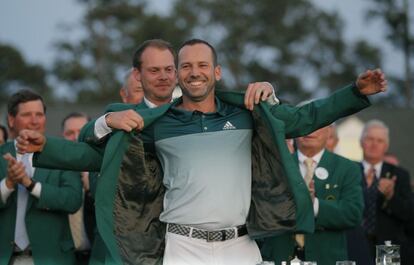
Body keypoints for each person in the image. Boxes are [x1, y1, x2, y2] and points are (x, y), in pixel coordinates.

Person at [17, 39, 387, 265]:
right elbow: (96, 157)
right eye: (186, 66)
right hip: (181, 249)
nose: (195, 72)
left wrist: (356, 92)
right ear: (177, 75)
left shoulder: (248, 113)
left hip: (241, 246)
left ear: (218, 72)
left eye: (202, 65)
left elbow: (306, 117)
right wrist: (47, 147)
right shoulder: (157, 123)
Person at [0, 90, 82, 265]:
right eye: (27, 114)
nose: (35, 121)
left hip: (52, 258)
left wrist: (31, 185)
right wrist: (8, 184)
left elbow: (73, 200)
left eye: (39, 114)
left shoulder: (62, 152)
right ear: (11, 120)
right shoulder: (1, 154)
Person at [261, 125, 364, 265]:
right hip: (280, 257)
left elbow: (353, 214)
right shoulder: (274, 166)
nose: (309, 130)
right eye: (305, 125)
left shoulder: (347, 168)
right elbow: (260, 211)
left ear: (329, 132)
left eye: (318, 125)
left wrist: (314, 204)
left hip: (326, 258)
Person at [359, 119, 413, 264]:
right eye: (370, 139)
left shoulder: (399, 175)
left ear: (386, 146)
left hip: (388, 247)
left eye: (380, 140)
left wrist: (390, 197)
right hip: (355, 244)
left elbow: (408, 214)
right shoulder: (348, 171)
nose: (374, 144)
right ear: (361, 142)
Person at [62, 112, 96, 265]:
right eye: (70, 133)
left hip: (97, 256)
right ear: (62, 136)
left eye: (81, 132)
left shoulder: (103, 170)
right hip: (63, 257)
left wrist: (93, 187)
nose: (76, 137)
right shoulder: (51, 172)